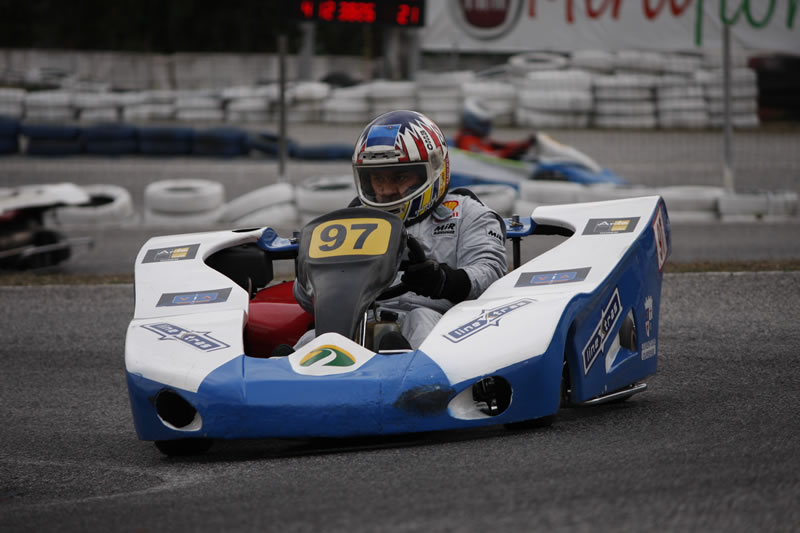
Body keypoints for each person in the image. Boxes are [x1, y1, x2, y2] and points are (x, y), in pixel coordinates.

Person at [293, 110, 508, 350]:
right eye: (377, 178)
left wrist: (443, 280)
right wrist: (318, 277)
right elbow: (305, 299)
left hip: (444, 327)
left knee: (420, 320)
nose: (386, 190)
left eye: (399, 177)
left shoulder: (469, 214)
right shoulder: (351, 222)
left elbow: (491, 273)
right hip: (364, 324)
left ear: (434, 168)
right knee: (313, 341)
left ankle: (414, 378)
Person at [455, 98, 536, 160]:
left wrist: (520, 146)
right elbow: (489, 158)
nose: (487, 126)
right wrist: (513, 151)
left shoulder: (476, 138)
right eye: (484, 123)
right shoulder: (467, 141)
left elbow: (496, 146)